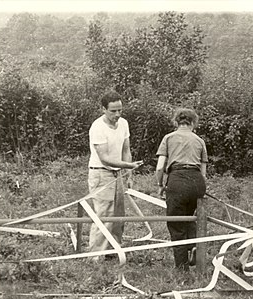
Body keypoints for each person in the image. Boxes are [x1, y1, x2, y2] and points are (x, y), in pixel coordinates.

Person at [87, 91, 143, 258]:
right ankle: (96, 256)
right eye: (113, 111)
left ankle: (113, 251)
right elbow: (104, 158)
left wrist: (129, 174)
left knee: (118, 214)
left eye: (120, 110)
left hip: (117, 174)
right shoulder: (97, 127)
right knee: (104, 215)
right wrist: (128, 165)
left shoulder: (124, 123)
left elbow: (126, 150)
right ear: (103, 109)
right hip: (100, 173)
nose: (117, 114)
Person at [155, 108, 208, 270]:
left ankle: (182, 268)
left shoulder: (168, 138)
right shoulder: (199, 141)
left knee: (176, 224)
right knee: (191, 217)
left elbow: (159, 168)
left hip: (177, 179)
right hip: (196, 181)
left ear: (177, 122)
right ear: (193, 123)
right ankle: (193, 246)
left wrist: (160, 185)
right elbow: (203, 173)